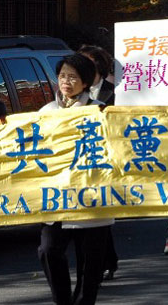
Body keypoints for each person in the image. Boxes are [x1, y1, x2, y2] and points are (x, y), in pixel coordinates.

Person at [38, 54, 113, 305]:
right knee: (48, 250)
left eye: (72, 77)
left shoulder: (100, 111)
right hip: (57, 196)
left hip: (92, 198)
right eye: (62, 76)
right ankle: (62, 301)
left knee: (90, 264)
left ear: (85, 82)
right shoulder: (46, 112)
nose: (66, 82)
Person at [72, 45, 119, 280]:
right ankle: (102, 262)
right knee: (89, 213)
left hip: (105, 157)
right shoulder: (71, 93)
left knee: (99, 210)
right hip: (79, 158)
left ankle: (101, 263)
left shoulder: (116, 92)